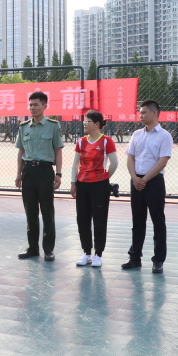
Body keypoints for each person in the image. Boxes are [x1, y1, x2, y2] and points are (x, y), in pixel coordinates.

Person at [123, 99, 173, 273]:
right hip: (136, 180)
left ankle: (158, 260)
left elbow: (162, 162)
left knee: (158, 221)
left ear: (154, 113)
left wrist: (144, 179)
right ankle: (134, 257)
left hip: (154, 182)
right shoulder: (137, 134)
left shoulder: (164, 136)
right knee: (137, 221)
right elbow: (130, 157)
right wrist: (134, 178)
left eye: (144, 112)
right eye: (140, 112)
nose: (141, 115)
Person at [15, 91, 64, 261]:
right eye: (30, 105)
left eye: (36, 104)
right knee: (30, 212)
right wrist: (18, 174)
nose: (32, 108)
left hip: (45, 171)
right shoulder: (23, 127)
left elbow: (58, 151)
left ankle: (48, 249)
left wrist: (58, 174)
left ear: (44, 106)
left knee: (47, 212)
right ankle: (32, 248)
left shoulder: (53, 126)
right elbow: (21, 152)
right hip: (28, 171)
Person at [70, 110, 118, 268]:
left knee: (99, 219)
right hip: (82, 184)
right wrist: (73, 182)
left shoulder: (106, 141)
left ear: (97, 124)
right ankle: (86, 253)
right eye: (84, 121)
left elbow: (114, 163)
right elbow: (75, 164)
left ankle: (98, 254)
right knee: (82, 219)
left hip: (99, 185)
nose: (84, 123)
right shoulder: (81, 142)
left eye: (87, 121)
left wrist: (104, 178)